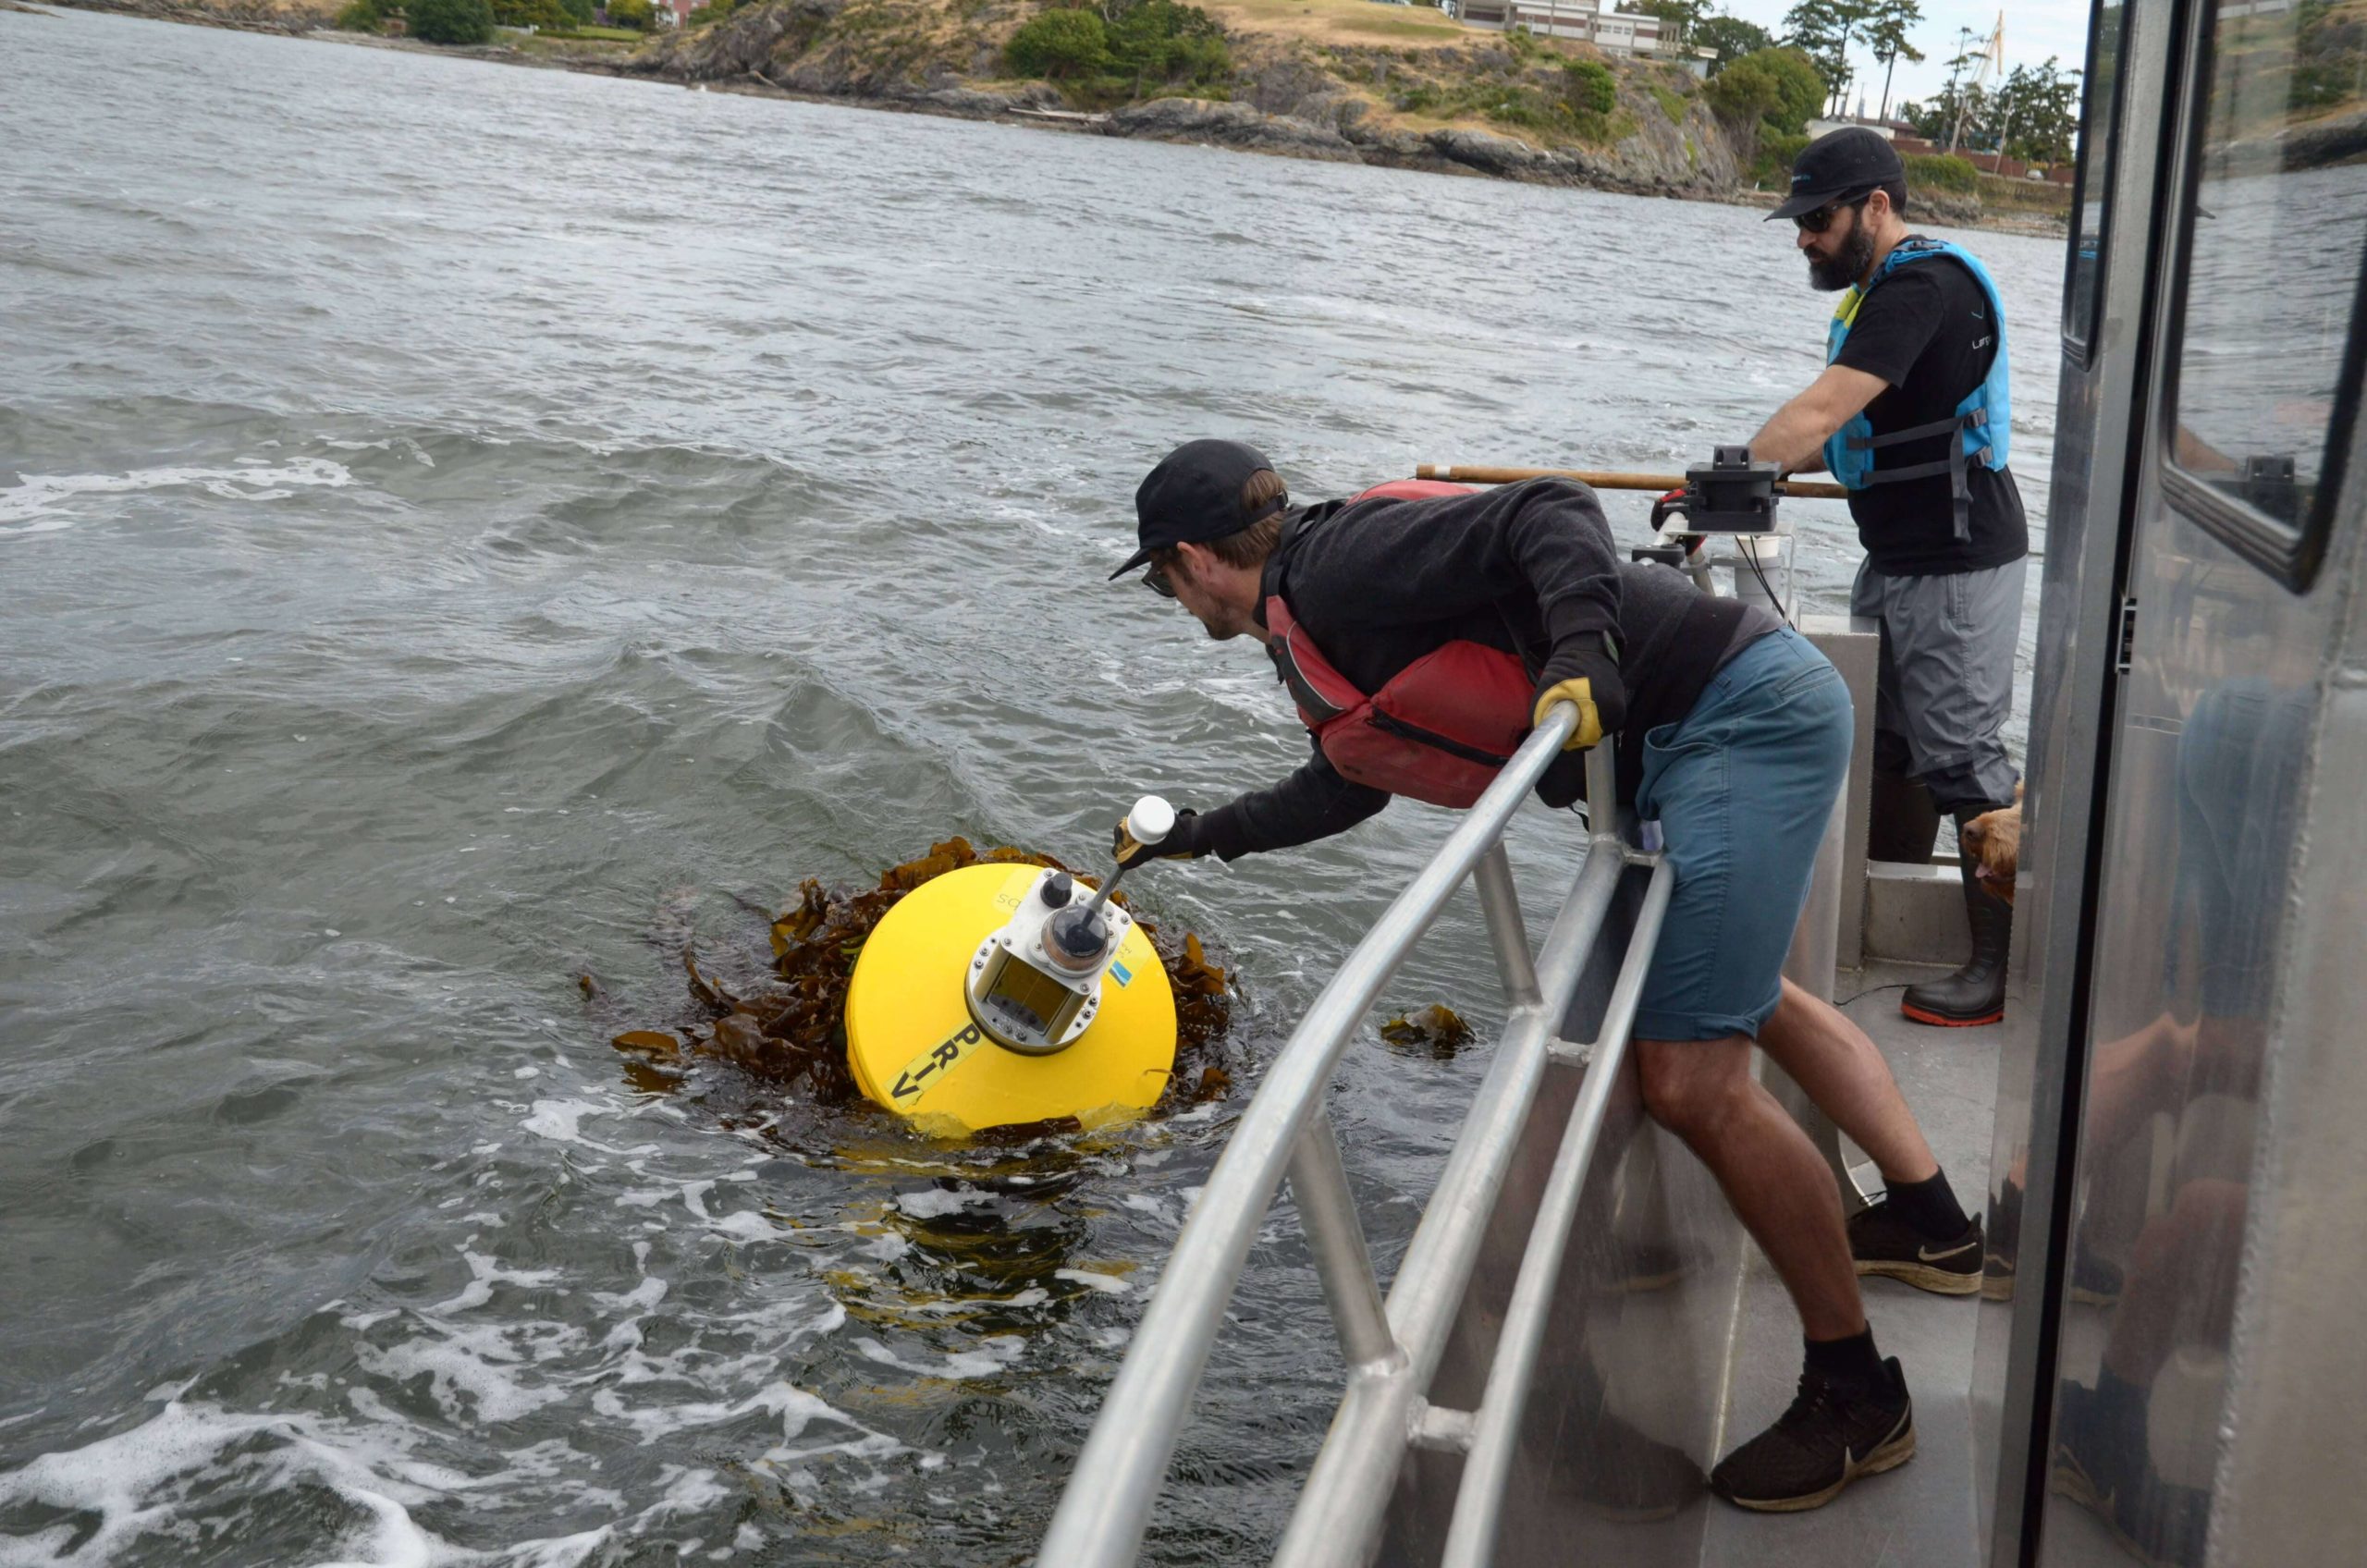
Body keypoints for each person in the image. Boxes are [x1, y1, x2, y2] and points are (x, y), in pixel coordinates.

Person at [1108, 437, 1987, 1512]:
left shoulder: (1339, 564)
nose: (1167, 595)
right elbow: (1347, 782)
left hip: (1735, 719)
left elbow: (1551, 512)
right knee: (1739, 996)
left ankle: (1857, 1392)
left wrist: (1584, 656)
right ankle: (1931, 1218)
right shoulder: (1309, 620)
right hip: (1699, 729)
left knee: (1688, 1079)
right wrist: (1205, 836)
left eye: (1158, 576)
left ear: (1195, 558)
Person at [1746, 127, 2030, 1028]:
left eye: (1816, 219)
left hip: (1953, 560)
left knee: (1962, 756)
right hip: (1902, 553)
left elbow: (1828, 406)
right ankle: (1879, 921)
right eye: (1797, 220)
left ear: (1876, 205)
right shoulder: (1893, 287)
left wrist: (1730, 478)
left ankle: (1997, 969)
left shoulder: (1920, 288)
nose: (1803, 238)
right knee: (1891, 741)